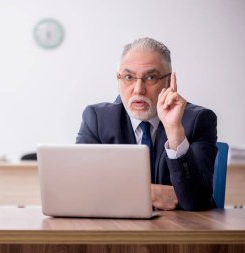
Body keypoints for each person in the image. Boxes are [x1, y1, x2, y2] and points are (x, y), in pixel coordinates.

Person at [76, 37, 217, 211]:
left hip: (178, 232)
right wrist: (150, 193)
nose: (138, 90)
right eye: (128, 77)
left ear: (168, 81)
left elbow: (197, 201)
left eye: (151, 77)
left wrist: (174, 132)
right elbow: (82, 189)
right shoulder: (97, 118)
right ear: (117, 80)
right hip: (116, 228)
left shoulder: (198, 120)